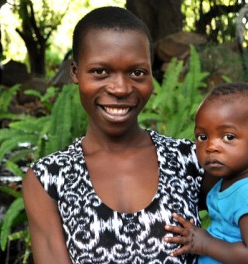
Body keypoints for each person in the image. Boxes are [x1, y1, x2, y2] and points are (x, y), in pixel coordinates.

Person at [22, 6, 206, 264]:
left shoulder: (190, 159)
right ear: (74, 72)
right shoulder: (48, 180)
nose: (120, 88)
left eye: (137, 72)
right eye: (100, 71)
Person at [164, 83, 248, 263]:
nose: (211, 146)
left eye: (228, 137)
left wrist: (205, 244)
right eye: (202, 137)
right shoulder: (229, 183)